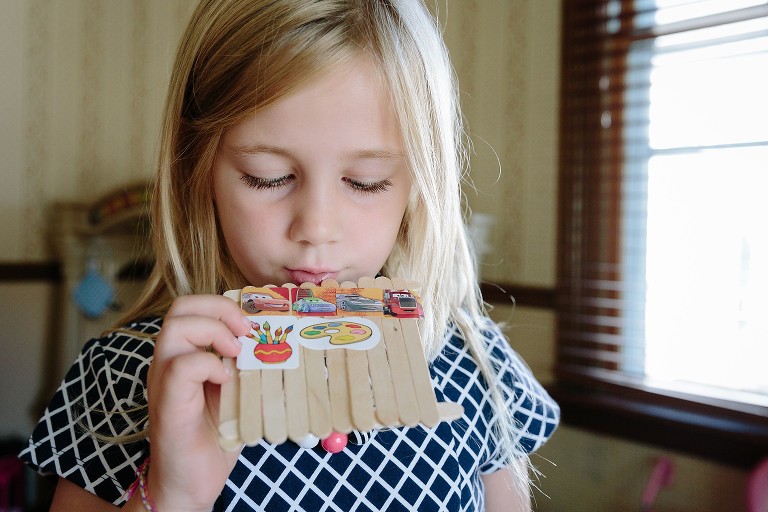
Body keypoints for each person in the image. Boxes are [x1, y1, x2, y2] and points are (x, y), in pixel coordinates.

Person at [19, 1, 559, 510]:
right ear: (197, 168)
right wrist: (173, 494)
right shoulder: (125, 376)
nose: (316, 229)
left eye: (366, 183)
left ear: (419, 184)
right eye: (267, 177)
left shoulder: (474, 360)